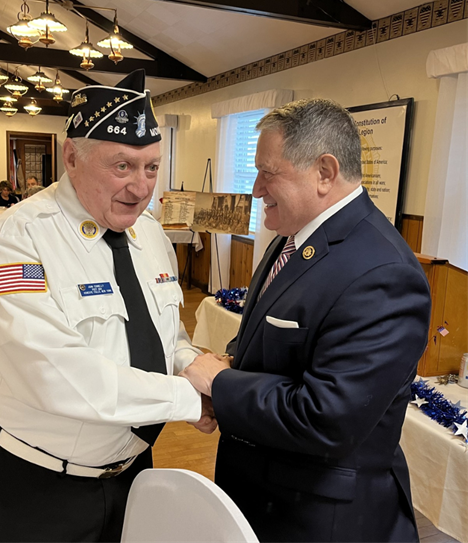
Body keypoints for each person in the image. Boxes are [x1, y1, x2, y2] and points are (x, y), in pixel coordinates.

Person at [0, 69, 217, 543]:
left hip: (131, 474)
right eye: (121, 166)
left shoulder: (151, 234)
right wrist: (188, 398)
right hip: (35, 487)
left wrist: (192, 363)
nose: (141, 188)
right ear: (72, 157)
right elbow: (52, 371)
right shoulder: (22, 237)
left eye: (151, 167)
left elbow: (164, 335)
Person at [181, 98, 431, 543]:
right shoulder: (294, 236)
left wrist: (220, 384)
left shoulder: (383, 273)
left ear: (324, 172)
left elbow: (327, 418)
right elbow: (269, 339)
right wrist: (231, 364)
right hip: (267, 498)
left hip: (320, 519)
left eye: (267, 172)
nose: (256, 189)